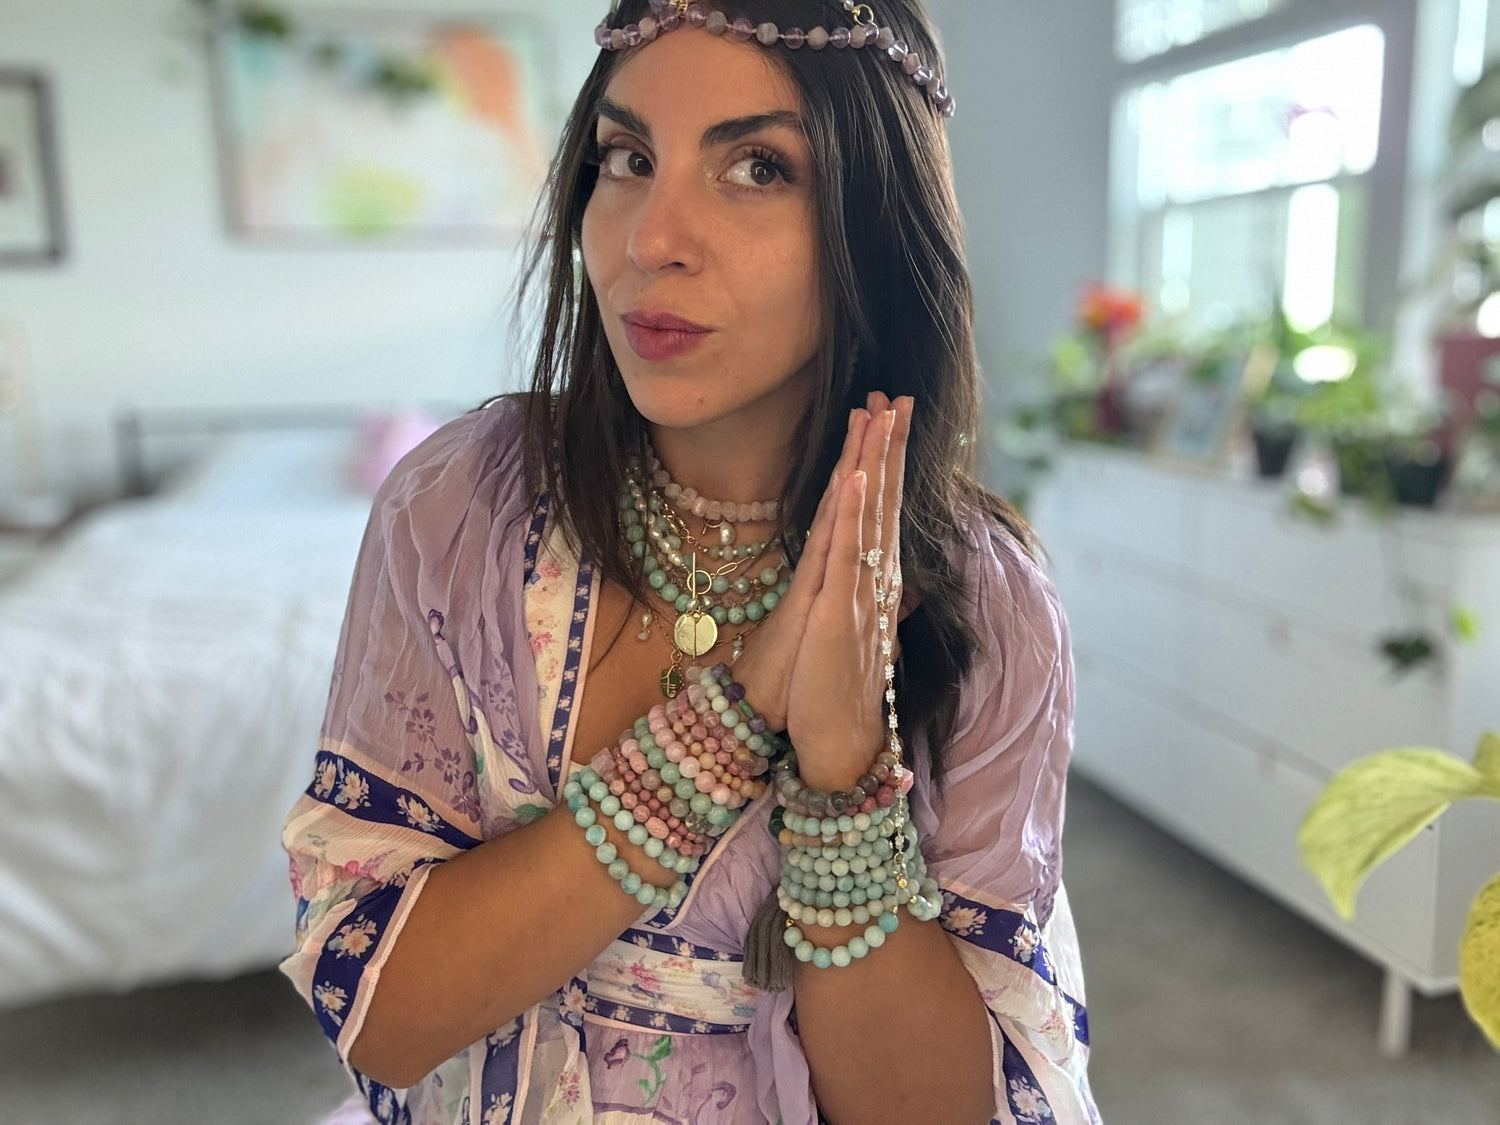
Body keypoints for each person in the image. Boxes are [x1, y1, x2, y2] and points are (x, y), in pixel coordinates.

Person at [280, 1, 1099, 1122]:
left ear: (877, 219)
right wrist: (729, 721)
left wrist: (843, 776)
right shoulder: (459, 509)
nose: (650, 238)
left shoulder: (983, 598)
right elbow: (383, 1018)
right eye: (626, 159)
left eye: (759, 167)